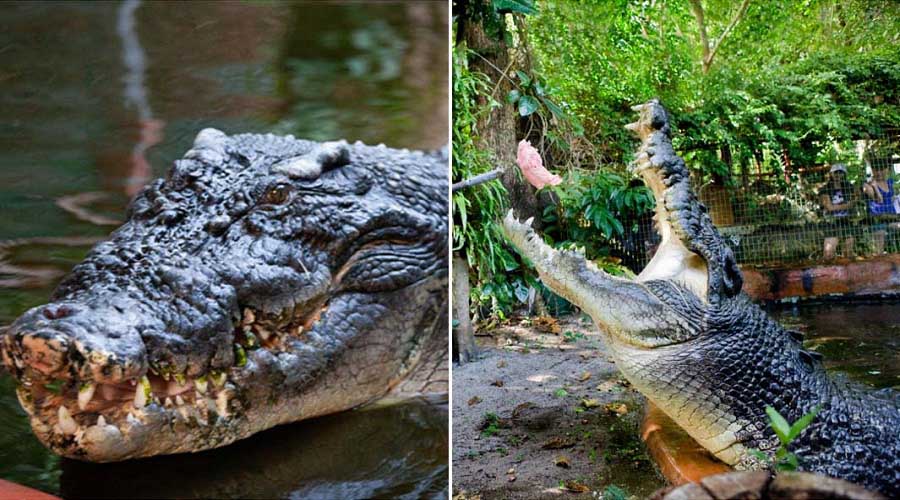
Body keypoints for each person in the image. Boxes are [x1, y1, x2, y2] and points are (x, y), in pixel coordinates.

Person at [818, 163, 855, 260]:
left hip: (846, 222)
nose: (838, 175)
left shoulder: (849, 187)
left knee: (849, 253)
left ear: (844, 174)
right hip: (831, 222)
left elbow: (854, 202)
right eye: (835, 173)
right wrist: (846, 206)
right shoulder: (825, 189)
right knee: (828, 254)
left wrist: (838, 207)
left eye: (840, 173)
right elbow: (829, 207)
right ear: (831, 174)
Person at [863, 163, 896, 254]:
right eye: (876, 170)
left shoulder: (891, 182)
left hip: (892, 217)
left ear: (887, 170)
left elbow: (895, 197)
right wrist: (875, 187)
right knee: (879, 248)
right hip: (877, 219)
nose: (879, 172)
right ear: (872, 171)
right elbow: (879, 200)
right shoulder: (867, 185)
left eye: (882, 169)